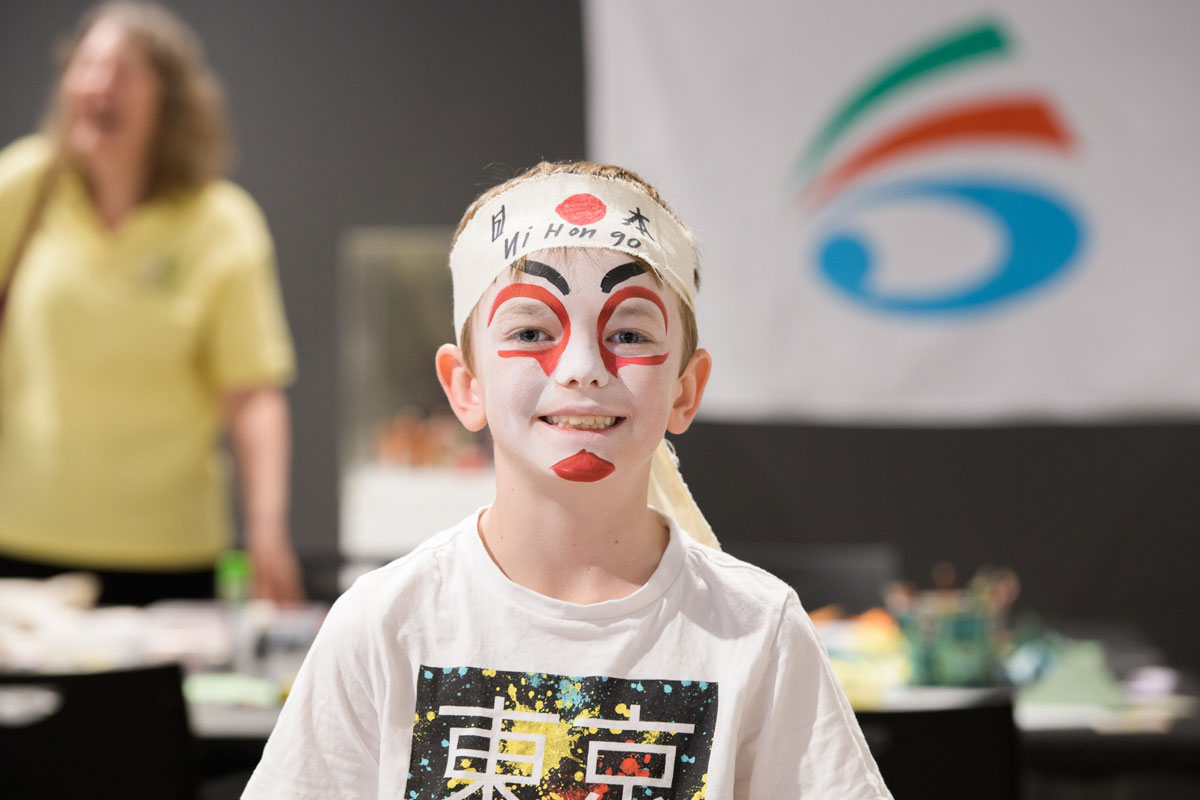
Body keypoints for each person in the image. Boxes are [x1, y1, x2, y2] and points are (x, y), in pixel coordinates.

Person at [244, 162, 891, 798]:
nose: (582, 366)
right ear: (464, 387)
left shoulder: (759, 631)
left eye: (629, 332)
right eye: (531, 329)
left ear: (685, 390)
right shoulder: (386, 623)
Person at [0, 2, 302, 605]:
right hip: (21, 540)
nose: (97, 84)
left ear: (169, 100)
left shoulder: (221, 222)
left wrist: (267, 527)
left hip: (170, 558)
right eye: (85, 65)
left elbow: (251, 395)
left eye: (123, 70)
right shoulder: (23, 185)